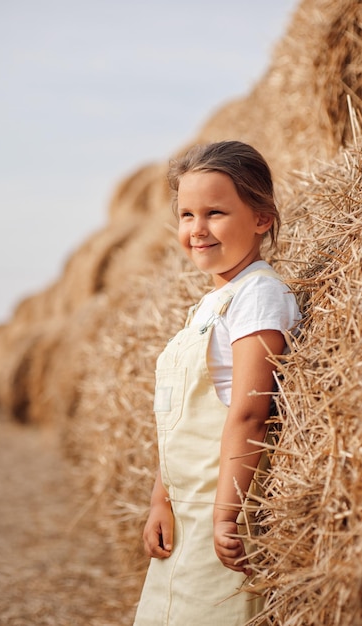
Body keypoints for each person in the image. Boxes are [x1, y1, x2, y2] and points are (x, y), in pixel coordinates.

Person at [133, 141, 301, 625]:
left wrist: (227, 515)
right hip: (183, 514)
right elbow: (177, 421)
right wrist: (160, 501)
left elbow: (249, 411)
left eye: (215, 213)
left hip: (220, 511)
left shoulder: (259, 297)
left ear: (262, 218)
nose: (197, 229)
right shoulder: (206, 307)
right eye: (187, 215)